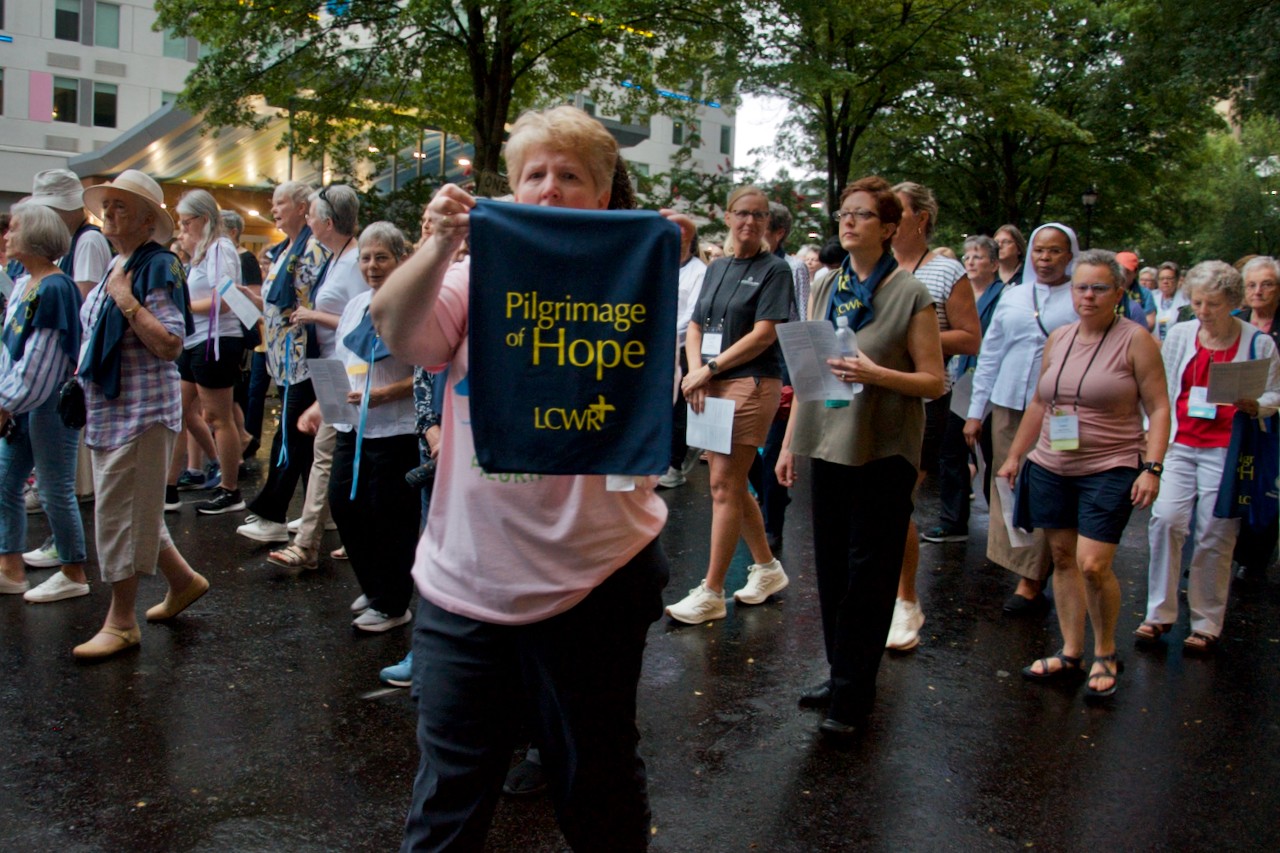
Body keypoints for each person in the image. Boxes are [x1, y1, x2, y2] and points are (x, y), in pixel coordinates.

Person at [373, 105, 689, 850]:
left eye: (571, 174)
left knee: (598, 781)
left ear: (606, 194)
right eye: (533, 174)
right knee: (449, 792)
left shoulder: (632, 279)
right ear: (509, 191)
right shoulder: (471, 273)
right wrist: (440, 242)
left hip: (596, 576)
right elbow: (396, 327)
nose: (549, 188)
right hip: (467, 582)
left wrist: (653, 251)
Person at [777, 175, 945, 739]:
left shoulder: (910, 293)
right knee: (829, 568)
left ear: (891, 227)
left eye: (863, 215)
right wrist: (788, 442)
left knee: (869, 573)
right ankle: (839, 671)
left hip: (884, 448)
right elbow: (810, 369)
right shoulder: (827, 284)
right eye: (844, 214)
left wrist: (877, 374)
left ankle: (855, 693)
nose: (848, 222)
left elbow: (933, 382)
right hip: (829, 441)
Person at [997, 250, 1169, 700]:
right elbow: (1040, 402)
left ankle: (1106, 651)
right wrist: (1017, 456)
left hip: (1111, 465)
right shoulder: (1060, 337)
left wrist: (1152, 467)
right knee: (1064, 557)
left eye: (1098, 288)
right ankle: (1072, 652)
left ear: (1119, 292)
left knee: (1094, 564)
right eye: (1080, 287)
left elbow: (1159, 407)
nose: (1088, 296)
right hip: (1053, 463)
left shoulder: (1136, 340)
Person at [73, 170, 208, 659]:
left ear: (149, 218)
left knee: (121, 515)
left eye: (120, 206)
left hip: (140, 411)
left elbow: (171, 344)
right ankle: (183, 581)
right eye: (106, 205)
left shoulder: (156, 266)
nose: (108, 213)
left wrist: (128, 303)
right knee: (137, 509)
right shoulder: (120, 262)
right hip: (113, 411)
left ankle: (122, 621)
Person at [664, 185, 793, 625]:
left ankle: (713, 591)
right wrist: (697, 370)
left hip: (751, 382)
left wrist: (710, 369)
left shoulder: (775, 270)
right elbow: (697, 323)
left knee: (722, 483)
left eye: (759, 216)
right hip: (714, 380)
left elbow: (764, 333)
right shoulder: (716, 267)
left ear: (767, 224)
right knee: (732, 483)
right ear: (728, 216)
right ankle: (768, 568)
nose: (750, 222)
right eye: (743, 213)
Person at [1139, 261, 1280, 653]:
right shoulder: (1182, 335)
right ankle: (1158, 613)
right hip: (1181, 443)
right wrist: (1152, 440)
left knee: (1215, 533)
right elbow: (1163, 391)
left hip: (1225, 448)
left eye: (1212, 304)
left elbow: (1275, 394)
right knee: (1165, 520)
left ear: (1232, 303)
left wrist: (1258, 405)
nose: (1202, 311)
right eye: (1197, 302)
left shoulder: (1257, 343)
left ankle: (1206, 622)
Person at [296, 222, 416, 630]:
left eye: (382, 256)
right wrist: (317, 405)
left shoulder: (414, 303)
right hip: (351, 426)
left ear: (401, 258)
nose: (372, 265)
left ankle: (394, 603)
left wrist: (389, 394)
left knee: (390, 519)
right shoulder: (355, 305)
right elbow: (348, 365)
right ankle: (375, 584)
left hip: (396, 430)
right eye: (366, 257)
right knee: (346, 505)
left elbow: (431, 373)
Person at [965, 224, 1081, 616]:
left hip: (1061, 412)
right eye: (1039, 251)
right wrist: (975, 412)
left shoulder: (1080, 297)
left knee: (1052, 488)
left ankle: (1035, 577)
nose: (1045, 258)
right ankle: (1024, 567)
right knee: (1009, 487)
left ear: (1070, 255)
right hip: (1009, 404)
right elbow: (990, 355)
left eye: (1055, 251)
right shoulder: (1013, 298)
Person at [884, 181, 981, 650]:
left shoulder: (946, 272)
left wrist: (916, 339)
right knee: (875, 502)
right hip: (875, 397)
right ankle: (881, 597)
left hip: (924, 402)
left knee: (896, 501)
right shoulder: (876, 268)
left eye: (894, 211)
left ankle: (906, 602)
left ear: (920, 219)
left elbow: (969, 337)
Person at [259, 184, 365, 562]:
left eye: (313, 215)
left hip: (344, 368)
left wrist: (312, 314)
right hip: (328, 365)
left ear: (328, 222)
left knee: (325, 454)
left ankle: (306, 544)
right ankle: (349, 535)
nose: (307, 220)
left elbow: (362, 320)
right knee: (336, 455)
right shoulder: (337, 258)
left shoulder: (353, 262)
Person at [0, 202, 88, 602]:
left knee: (54, 489)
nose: (6, 235)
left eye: (14, 228)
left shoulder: (55, 287)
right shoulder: (25, 282)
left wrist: (5, 403)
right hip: (21, 401)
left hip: (47, 402)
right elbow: (11, 351)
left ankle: (73, 570)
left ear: (35, 237)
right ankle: (10, 568)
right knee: (5, 482)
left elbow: (41, 365)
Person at [234, 182, 328, 544]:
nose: (274, 209)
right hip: (282, 359)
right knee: (301, 438)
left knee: (289, 436)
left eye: (280, 203)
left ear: (303, 207)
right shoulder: (285, 250)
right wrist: (252, 300)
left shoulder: (312, 251)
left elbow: (307, 304)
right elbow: (277, 307)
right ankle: (317, 512)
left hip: (301, 357)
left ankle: (273, 513)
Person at [166, 190, 248, 515]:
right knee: (180, 413)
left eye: (187, 222)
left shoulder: (220, 249)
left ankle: (230, 488)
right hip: (197, 340)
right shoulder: (206, 251)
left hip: (216, 340)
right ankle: (169, 488)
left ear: (203, 219)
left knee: (217, 417)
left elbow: (225, 301)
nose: (183, 229)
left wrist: (183, 307)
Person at [923, 235, 1005, 543]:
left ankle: (1002, 525)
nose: (970, 261)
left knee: (991, 455)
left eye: (979, 257)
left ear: (995, 264)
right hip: (957, 382)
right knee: (949, 452)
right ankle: (952, 519)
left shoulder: (1003, 296)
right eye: (967, 256)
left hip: (989, 386)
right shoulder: (961, 292)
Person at [1232, 256, 1280, 581]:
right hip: (1235, 419)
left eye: (1267, 284)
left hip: (1274, 419)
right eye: (1251, 285)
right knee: (1233, 485)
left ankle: (1256, 559)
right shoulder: (1234, 321)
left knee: (1265, 487)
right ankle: (1224, 555)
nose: (1258, 291)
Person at [657, 222, 707, 490]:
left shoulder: (699, 272)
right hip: (655, 349)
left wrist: (661, 335)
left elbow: (692, 319)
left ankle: (674, 464)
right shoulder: (659, 266)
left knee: (679, 409)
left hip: (681, 348)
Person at [29, 169, 112, 299]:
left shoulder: (88, 240)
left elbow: (81, 300)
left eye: (51, 210)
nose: (46, 216)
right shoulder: (74, 239)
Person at [1152, 261, 1186, 343]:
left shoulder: (1185, 299)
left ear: (1177, 280)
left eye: (1169, 278)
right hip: (1155, 345)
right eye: (1162, 279)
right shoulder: (1151, 298)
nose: (1165, 282)